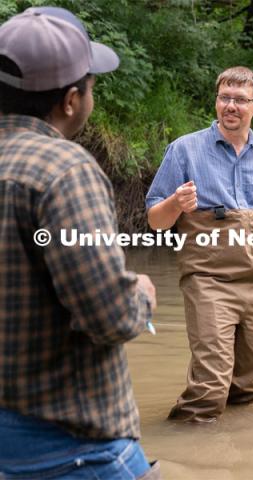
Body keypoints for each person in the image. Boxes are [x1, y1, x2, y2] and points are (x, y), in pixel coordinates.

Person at [0, 7, 161, 479]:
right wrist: (144, 297)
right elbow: (109, 317)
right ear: (71, 100)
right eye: (90, 86)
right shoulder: (64, 171)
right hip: (73, 446)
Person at [146, 66, 253, 423]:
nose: (230, 106)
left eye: (240, 100)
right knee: (210, 386)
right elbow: (156, 221)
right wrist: (175, 204)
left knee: (250, 383)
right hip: (207, 281)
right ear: (216, 101)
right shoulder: (184, 150)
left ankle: (231, 450)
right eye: (224, 98)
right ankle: (183, 453)